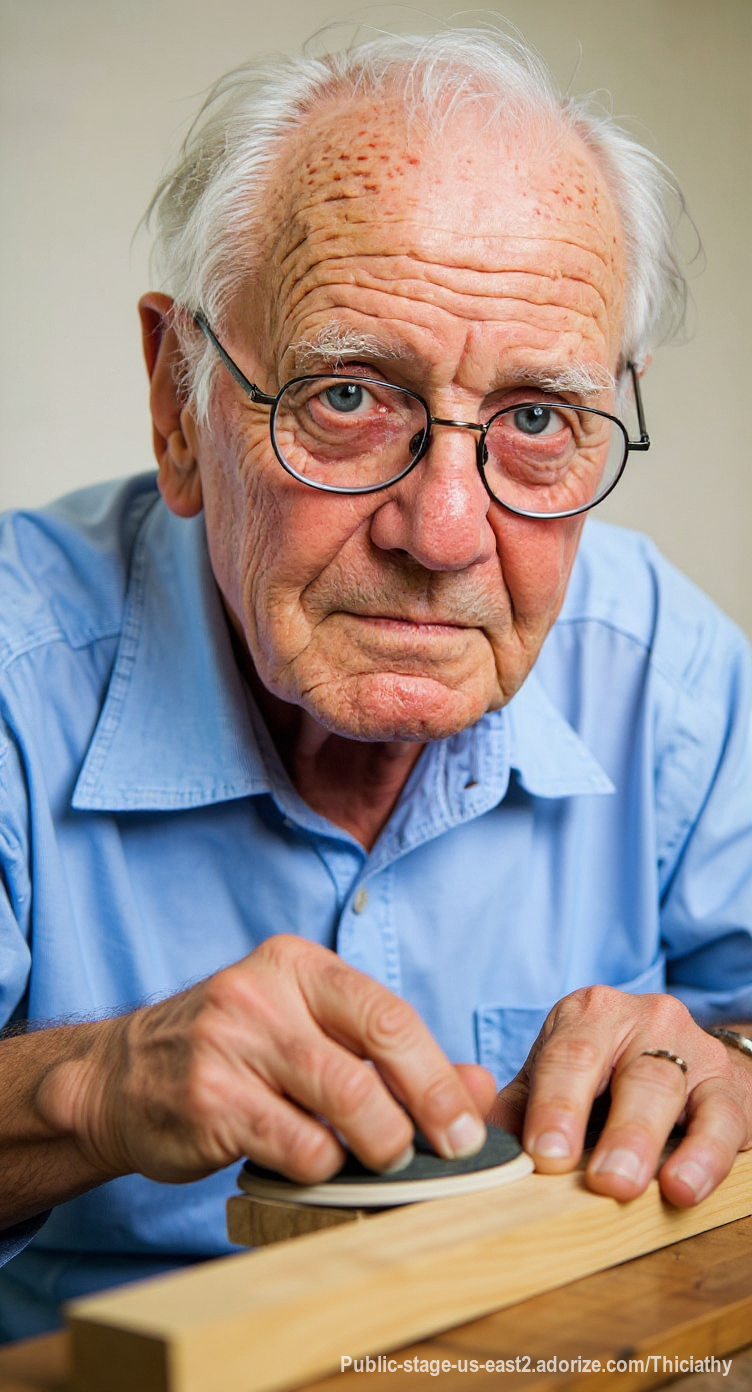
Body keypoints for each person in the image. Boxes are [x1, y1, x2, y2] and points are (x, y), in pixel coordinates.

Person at [1, 26, 751, 1342]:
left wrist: (731, 1064)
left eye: (536, 420)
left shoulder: (664, 671)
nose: (445, 532)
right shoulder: (19, 674)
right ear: (180, 407)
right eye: (349, 396)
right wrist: (94, 1084)